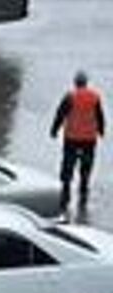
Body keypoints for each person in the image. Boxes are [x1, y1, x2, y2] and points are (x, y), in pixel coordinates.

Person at [52, 70, 106, 214]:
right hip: (89, 138)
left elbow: (60, 114)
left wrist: (54, 130)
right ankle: (83, 189)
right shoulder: (95, 96)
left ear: (75, 82)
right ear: (86, 82)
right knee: (86, 164)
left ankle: (66, 192)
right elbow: (100, 115)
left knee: (68, 164)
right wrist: (101, 131)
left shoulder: (70, 96)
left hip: (72, 137)